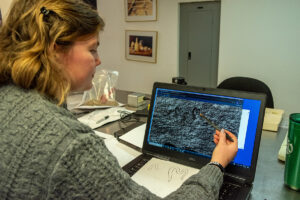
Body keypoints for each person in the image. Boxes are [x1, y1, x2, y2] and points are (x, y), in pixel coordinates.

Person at [0, 0, 238, 199]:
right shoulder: (69, 145)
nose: (99, 60)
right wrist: (216, 164)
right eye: (92, 49)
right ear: (55, 50)